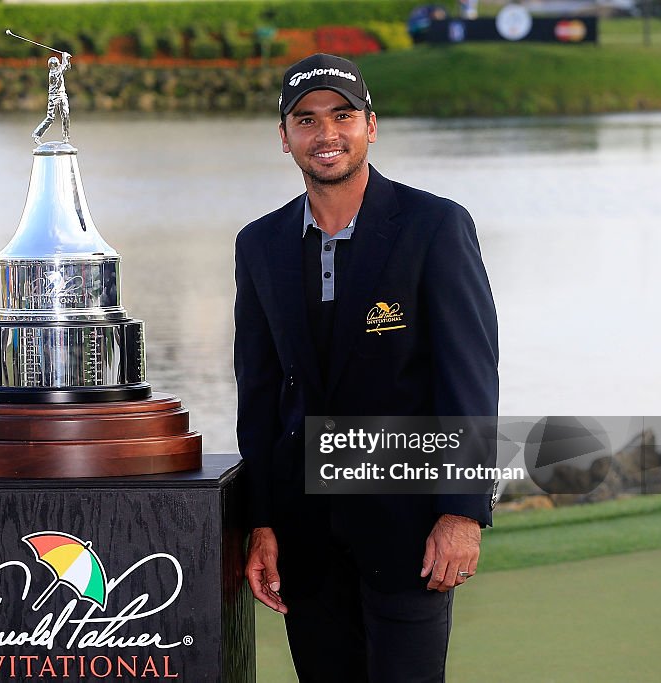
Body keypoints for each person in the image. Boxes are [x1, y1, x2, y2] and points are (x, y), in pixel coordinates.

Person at [233, 53, 498, 682]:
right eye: (307, 120)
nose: (326, 134)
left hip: (408, 525)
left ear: (370, 127)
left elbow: (469, 379)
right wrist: (262, 521)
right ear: (285, 137)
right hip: (306, 535)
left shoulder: (435, 226)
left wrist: (462, 512)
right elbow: (259, 391)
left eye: (342, 115)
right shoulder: (260, 244)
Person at [32, 51, 72, 144]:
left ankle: (66, 137)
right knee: (50, 118)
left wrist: (68, 59)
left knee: (66, 116)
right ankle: (37, 134)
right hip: (54, 98)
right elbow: (64, 67)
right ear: (54, 65)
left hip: (62, 95)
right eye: (57, 64)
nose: (58, 65)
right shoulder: (54, 72)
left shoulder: (59, 70)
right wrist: (65, 56)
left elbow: (67, 68)